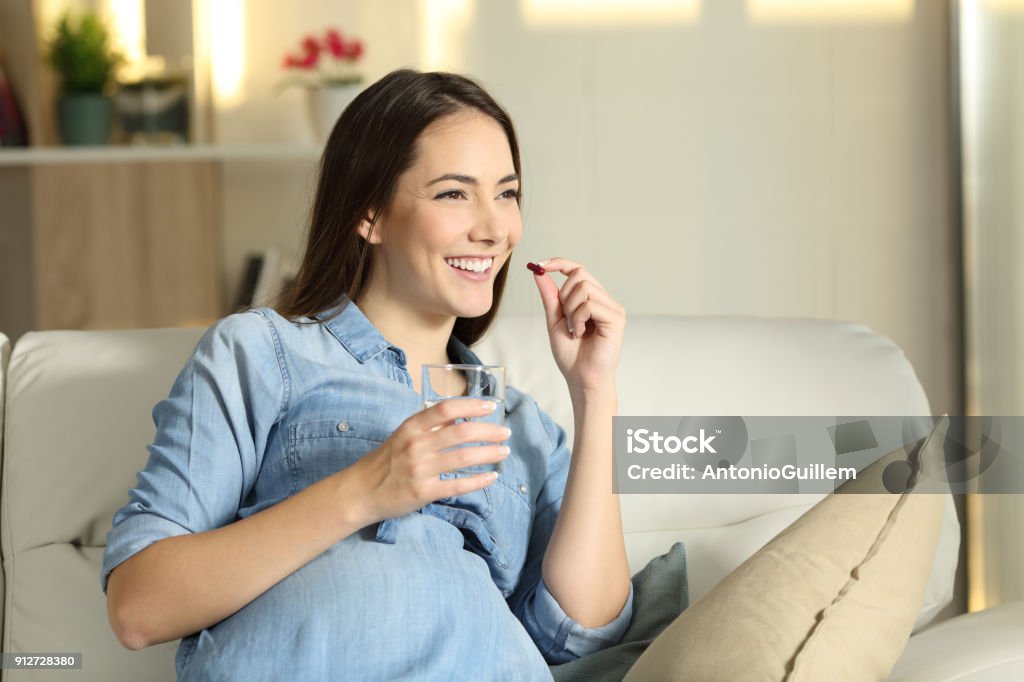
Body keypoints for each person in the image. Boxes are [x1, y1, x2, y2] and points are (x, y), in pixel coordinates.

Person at [102, 69, 633, 681]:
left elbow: (581, 635)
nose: (493, 228)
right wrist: (367, 489)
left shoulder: (525, 427)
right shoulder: (264, 353)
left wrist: (595, 392)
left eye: (507, 193)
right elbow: (139, 607)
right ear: (369, 214)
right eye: (453, 193)